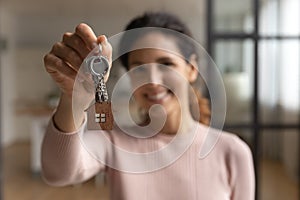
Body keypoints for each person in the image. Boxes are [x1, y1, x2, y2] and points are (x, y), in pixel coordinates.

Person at [42, 12, 255, 200]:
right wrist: (73, 98)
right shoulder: (113, 140)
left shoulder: (233, 152)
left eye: (166, 64)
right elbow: (59, 173)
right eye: (139, 69)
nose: (152, 80)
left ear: (191, 69)